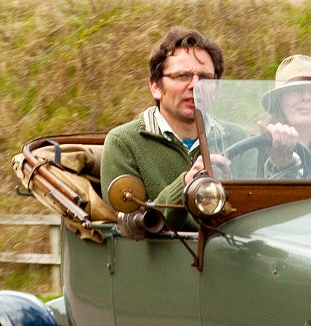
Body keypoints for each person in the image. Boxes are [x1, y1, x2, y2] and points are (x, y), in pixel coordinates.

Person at [101, 28, 248, 230]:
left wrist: (280, 161)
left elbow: (257, 217)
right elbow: (132, 229)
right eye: (183, 76)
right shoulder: (124, 142)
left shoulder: (238, 137)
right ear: (156, 87)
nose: (196, 86)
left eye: (205, 78)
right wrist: (186, 184)